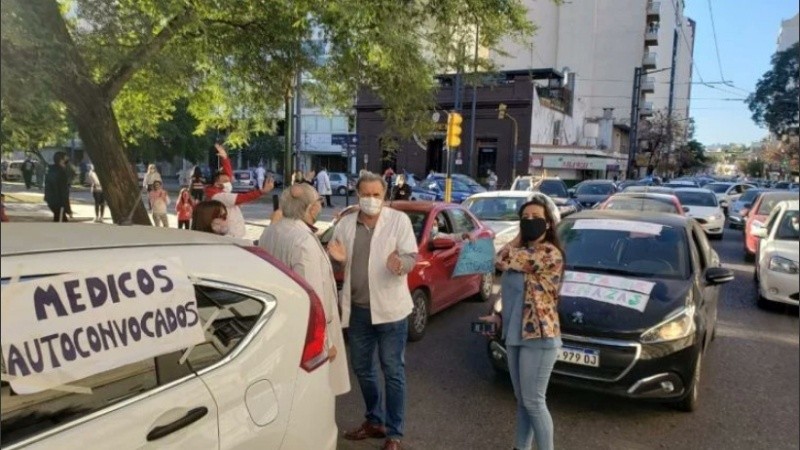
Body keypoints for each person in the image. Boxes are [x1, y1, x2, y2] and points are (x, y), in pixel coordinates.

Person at [333, 171, 418, 450]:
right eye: (365, 194)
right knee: (362, 369)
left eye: (376, 195)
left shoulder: (398, 221)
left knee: (392, 371)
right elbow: (334, 262)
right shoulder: (345, 224)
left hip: (391, 312)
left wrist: (401, 264)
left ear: (384, 196)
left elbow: (410, 256)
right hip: (358, 311)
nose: (371, 199)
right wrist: (337, 261)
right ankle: (374, 420)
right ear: (358, 195)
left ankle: (394, 434)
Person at [479, 196, 565, 450]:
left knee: (535, 402)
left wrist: (518, 238)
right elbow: (512, 292)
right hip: (515, 334)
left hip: (540, 336)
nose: (529, 222)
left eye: (536, 218)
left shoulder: (549, 253)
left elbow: (500, 258)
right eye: (524, 219)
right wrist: (498, 316)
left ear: (548, 223)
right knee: (523, 400)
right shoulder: (523, 254)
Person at [258, 183, 350, 397]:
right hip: (308, 338)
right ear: (310, 208)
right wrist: (325, 345)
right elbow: (313, 298)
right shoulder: (303, 242)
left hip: (280, 326)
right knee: (313, 394)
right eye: (319, 201)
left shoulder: (272, 231)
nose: (320, 206)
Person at [204, 143, 273, 238]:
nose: (230, 181)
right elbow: (242, 198)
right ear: (217, 183)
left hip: (232, 233)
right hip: (230, 235)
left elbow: (228, 174)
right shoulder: (219, 196)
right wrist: (262, 191)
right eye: (225, 181)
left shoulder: (218, 191)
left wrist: (224, 158)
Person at [44, 151, 73, 222]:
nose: (67, 163)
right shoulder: (61, 173)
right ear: (61, 160)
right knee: (61, 223)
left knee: (58, 220)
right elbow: (63, 192)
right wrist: (68, 209)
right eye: (65, 160)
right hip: (59, 203)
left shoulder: (51, 170)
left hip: (51, 201)